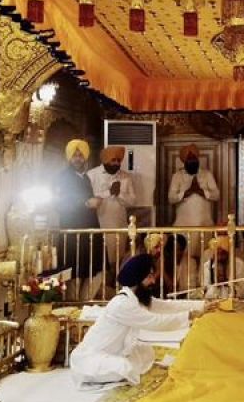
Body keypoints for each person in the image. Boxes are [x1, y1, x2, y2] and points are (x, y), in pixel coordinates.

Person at [70, 254, 203, 388]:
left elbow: (166, 305)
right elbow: (155, 322)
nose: (153, 281)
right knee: (125, 368)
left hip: (117, 352)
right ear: (138, 279)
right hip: (91, 358)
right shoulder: (122, 304)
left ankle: (119, 366)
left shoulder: (136, 297)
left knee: (147, 352)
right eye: (149, 277)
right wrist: (189, 315)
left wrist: (201, 305)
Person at [53, 139, 103, 301]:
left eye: (81, 155)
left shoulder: (85, 178)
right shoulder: (63, 177)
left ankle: (83, 306)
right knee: (74, 273)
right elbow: (60, 202)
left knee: (93, 270)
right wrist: (86, 203)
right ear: (69, 157)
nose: (78, 158)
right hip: (73, 234)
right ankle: (73, 309)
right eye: (74, 155)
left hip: (88, 232)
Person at [168, 144, 220, 259]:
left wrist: (201, 191)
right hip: (183, 226)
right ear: (184, 161)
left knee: (205, 257)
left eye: (194, 158)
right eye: (189, 159)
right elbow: (171, 198)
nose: (192, 161)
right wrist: (188, 191)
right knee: (185, 258)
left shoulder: (207, 174)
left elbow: (216, 195)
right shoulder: (177, 176)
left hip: (205, 224)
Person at [87, 146, 136, 268]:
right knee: (100, 261)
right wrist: (109, 192)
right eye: (113, 160)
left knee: (117, 261)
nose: (116, 163)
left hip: (119, 225)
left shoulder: (126, 177)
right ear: (105, 160)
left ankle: (115, 285)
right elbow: (89, 201)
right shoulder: (92, 175)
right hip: (99, 225)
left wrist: (119, 194)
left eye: (119, 161)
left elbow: (132, 201)